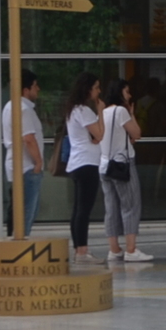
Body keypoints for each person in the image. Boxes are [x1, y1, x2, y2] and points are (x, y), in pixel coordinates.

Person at [99, 78, 149, 263]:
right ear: (120, 93)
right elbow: (136, 133)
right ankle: (131, 249)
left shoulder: (103, 112)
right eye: (127, 92)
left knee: (111, 208)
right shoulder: (120, 111)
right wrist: (132, 113)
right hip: (122, 165)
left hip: (104, 165)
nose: (129, 95)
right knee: (130, 206)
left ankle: (114, 249)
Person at [61, 73, 107, 264]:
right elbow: (100, 134)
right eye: (96, 87)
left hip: (77, 162)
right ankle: (82, 251)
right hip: (87, 162)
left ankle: (78, 249)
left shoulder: (73, 110)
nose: (98, 91)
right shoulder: (84, 111)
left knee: (78, 209)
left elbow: (94, 137)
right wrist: (101, 112)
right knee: (84, 210)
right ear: (88, 89)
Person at [1, 69, 44, 237]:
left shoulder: (10, 106)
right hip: (26, 166)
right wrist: (38, 163)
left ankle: (14, 239)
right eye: (35, 85)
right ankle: (20, 243)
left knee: (18, 210)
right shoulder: (23, 109)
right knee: (27, 212)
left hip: (18, 165)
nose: (38, 89)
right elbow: (29, 138)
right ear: (26, 90)